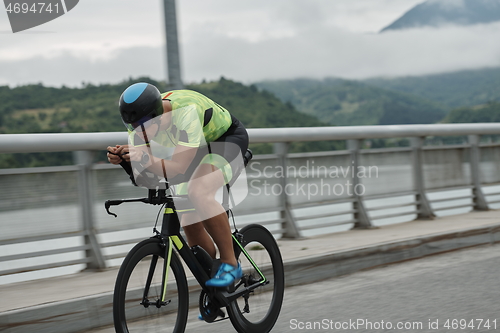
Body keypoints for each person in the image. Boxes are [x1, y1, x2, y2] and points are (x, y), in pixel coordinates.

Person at [107, 82, 249, 287]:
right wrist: (126, 161)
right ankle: (215, 287)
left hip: (224, 141)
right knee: (189, 220)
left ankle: (230, 263)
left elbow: (179, 168)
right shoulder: (138, 126)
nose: (140, 134)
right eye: (133, 127)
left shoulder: (186, 112)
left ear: (159, 115)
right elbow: (146, 178)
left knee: (199, 192)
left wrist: (145, 158)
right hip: (192, 150)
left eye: (145, 126)